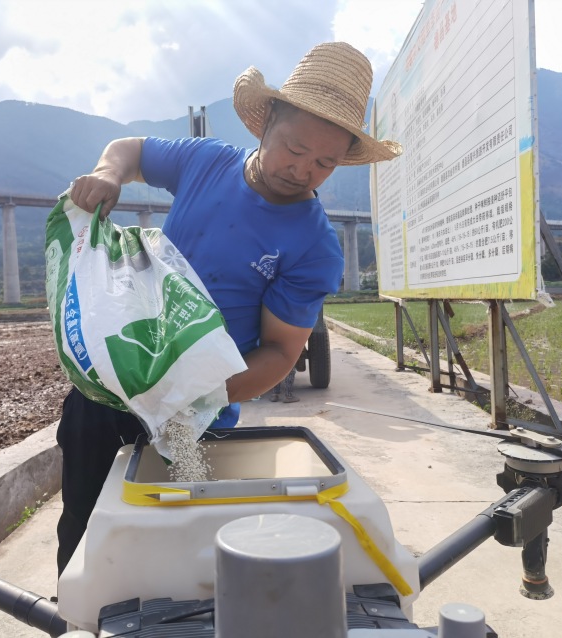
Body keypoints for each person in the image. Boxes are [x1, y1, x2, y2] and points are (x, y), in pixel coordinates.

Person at [55, 41, 401, 575]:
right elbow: (130, 149)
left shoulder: (314, 246)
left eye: (325, 162)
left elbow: (281, 352)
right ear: (265, 126)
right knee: (83, 525)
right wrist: (107, 174)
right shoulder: (205, 162)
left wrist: (187, 399)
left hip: (196, 421)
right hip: (112, 387)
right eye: (294, 147)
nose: (303, 169)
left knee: (176, 545)